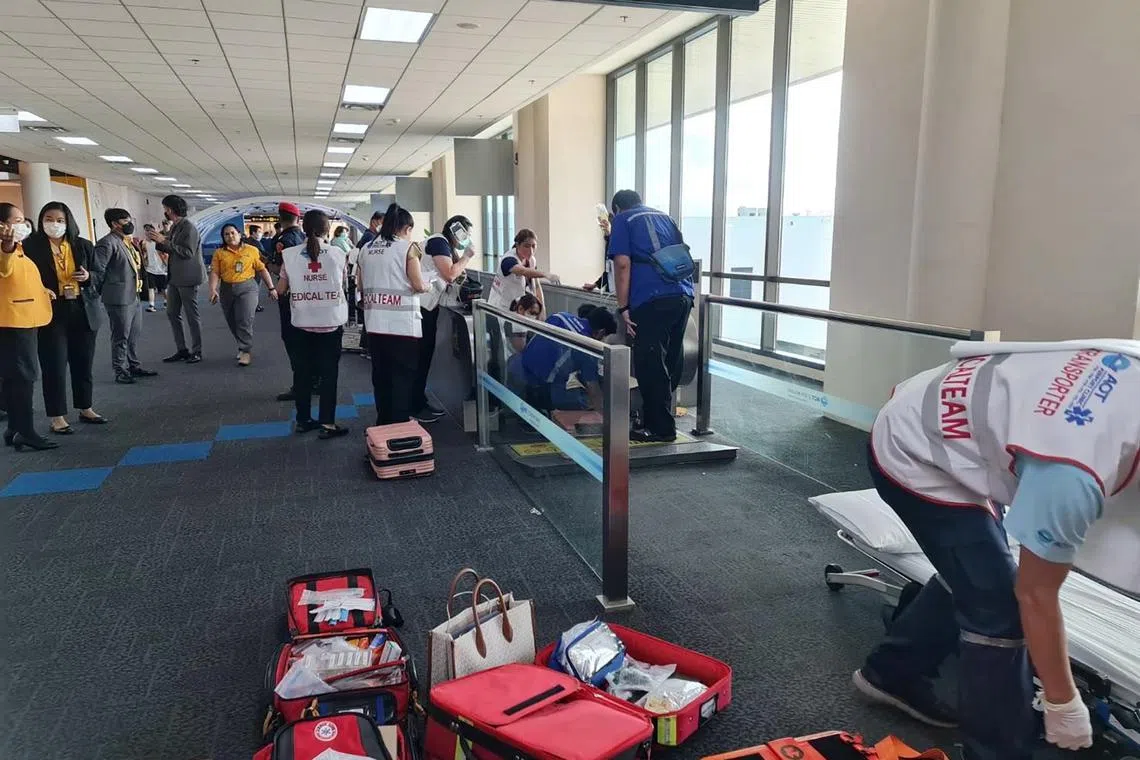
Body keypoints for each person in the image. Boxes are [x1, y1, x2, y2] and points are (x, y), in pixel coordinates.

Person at [850, 342, 1140, 760]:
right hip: (915, 449)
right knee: (1000, 607)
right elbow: (1035, 595)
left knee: (974, 568)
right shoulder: (1072, 472)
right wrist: (1062, 702)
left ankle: (892, 672)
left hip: (966, 415)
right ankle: (996, 751)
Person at [607, 189, 694, 443]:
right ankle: (657, 419)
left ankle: (660, 429)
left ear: (616, 208)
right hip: (682, 296)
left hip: (651, 299)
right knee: (670, 360)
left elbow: (622, 264)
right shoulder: (666, 217)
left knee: (650, 363)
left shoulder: (623, 220)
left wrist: (623, 308)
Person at [23, 202, 107, 433]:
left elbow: (100, 276)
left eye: (59, 220)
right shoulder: (30, 247)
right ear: (41, 221)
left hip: (82, 308)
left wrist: (88, 276)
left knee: (83, 362)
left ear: (68, 221)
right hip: (51, 310)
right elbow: (25, 279)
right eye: (49, 219)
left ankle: (85, 407)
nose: (54, 224)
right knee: (54, 365)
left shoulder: (83, 245)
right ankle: (57, 416)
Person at [275, 209, 348, 439]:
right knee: (329, 376)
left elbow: (281, 290)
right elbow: (342, 285)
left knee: (302, 374)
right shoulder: (338, 254)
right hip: (330, 324)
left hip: (300, 325)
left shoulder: (289, 254)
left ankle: (303, 420)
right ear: (327, 229)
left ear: (303, 227)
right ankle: (328, 423)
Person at [356, 204, 428, 426]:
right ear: (405, 228)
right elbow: (417, 284)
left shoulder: (366, 248)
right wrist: (429, 285)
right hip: (402, 327)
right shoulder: (408, 248)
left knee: (381, 377)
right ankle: (397, 429)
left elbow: (359, 283)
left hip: (375, 325)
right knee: (402, 379)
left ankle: (383, 424)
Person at [0, 203, 57, 451]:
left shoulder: (21, 249)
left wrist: (44, 292)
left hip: (23, 317)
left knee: (16, 378)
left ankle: (14, 427)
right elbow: (5, 268)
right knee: (24, 376)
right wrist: (7, 245)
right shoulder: (8, 248)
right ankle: (25, 431)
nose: (24, 224)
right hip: (14, 321)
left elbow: (18, 281)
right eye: (18, 219)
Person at [418, 215, 478, 423]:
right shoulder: (438, 242)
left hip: (428, 306)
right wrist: (467, 256)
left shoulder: (443, 246)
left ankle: (418, 399)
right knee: (420, 356)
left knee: (424, 355)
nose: (465, 238)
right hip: (421, 307)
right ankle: (414, 404)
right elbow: (450, 274)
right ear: (454, 230)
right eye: (464, 234)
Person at [510, 306, 616, 412]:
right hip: (535, 387)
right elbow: (594, 391)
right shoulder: (586, 346)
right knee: (580, 404)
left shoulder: (560, 316)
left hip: (516, 367)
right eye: (605, 338)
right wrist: (606, 416)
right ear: (600, 332)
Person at [93, 208, 157, 385]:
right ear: (114, 224)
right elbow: (98, 270)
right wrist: (98, 293)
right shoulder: (106, 243)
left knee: (133, 334)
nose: (129, 224)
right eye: (125, 221)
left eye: (129, 220)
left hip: (133, 294)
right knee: (121, 335)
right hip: (118, 297)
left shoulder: (127, 242)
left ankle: (133, 365)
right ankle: (120, 370)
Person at [208, 223, 277, 366]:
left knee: (244, 319)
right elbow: (215, 272)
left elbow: (262, 269)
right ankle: (241, 344)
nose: (230, 236)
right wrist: (213, 289)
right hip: (227, 288)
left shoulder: (252, 250)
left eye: (232, 233)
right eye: (226, 234)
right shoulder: (219, 253)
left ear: (239, 234)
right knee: (232, 320)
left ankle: (246, 351)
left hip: (247, 287)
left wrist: (271, 288)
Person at [149, 194, 206, 364]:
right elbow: (171, 245)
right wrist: (159, 240)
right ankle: (181, 349)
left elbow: (187, 252)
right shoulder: (175, 226)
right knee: (172, 313)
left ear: (171, 209)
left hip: (187, 277)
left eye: (165, 208)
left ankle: (197, 350)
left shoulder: (188, 227)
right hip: (175, 277)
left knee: (191, 315)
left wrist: (164, 241)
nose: (164, 212)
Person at [269, 203, 309, 401]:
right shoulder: (303, 237)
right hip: (305, 295)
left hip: (289, 296)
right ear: (298, 219)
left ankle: (301, 384)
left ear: (280, 217)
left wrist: (263, 262)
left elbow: (280, 270)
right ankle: (312, 380)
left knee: (293, 341)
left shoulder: (283, 239)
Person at [487, 228, 556, 311]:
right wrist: (545, 274)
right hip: (501, 307)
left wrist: (542, 308)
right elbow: (524, 271)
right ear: (517, 245)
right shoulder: (508, 260)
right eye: (526, 246)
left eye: (533, 246)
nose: (531, 250)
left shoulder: (531, 260)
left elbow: (536, 285)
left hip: (518, 307)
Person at [141, 223, 168, 312]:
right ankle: (151, 305)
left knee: (164, 288)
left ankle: (167, 301)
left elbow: (165, 254)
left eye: (149, 231)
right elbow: (143, 255)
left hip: (161, 269)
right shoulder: (143, 243)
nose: (148, 233)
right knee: (151, 288)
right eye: (146, 231)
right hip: (150, 269)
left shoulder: (158, 242)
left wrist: (166, 264)